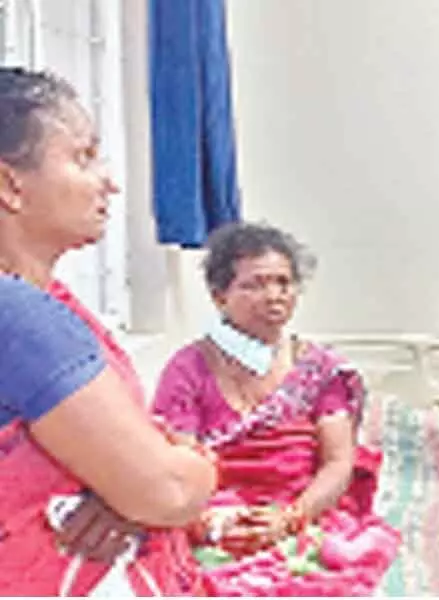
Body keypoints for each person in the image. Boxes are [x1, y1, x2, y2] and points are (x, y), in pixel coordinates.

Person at [0, 66, 218, 595]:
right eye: (82, 156)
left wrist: (125, 488)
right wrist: (186, 472)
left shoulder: (50, 304)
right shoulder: (20, 318)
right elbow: (166, 489)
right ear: (10, 184)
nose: (109, 180)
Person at [151, 222, 401, 597]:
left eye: (284, 283)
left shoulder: (321, 369)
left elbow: (337, 463)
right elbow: (176, 465)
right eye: (254, 284)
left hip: (301, 506)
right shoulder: (187, 369)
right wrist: (209, 525)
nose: (274, 296)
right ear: (219, 296)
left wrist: (290, 518)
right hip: (215, 513)